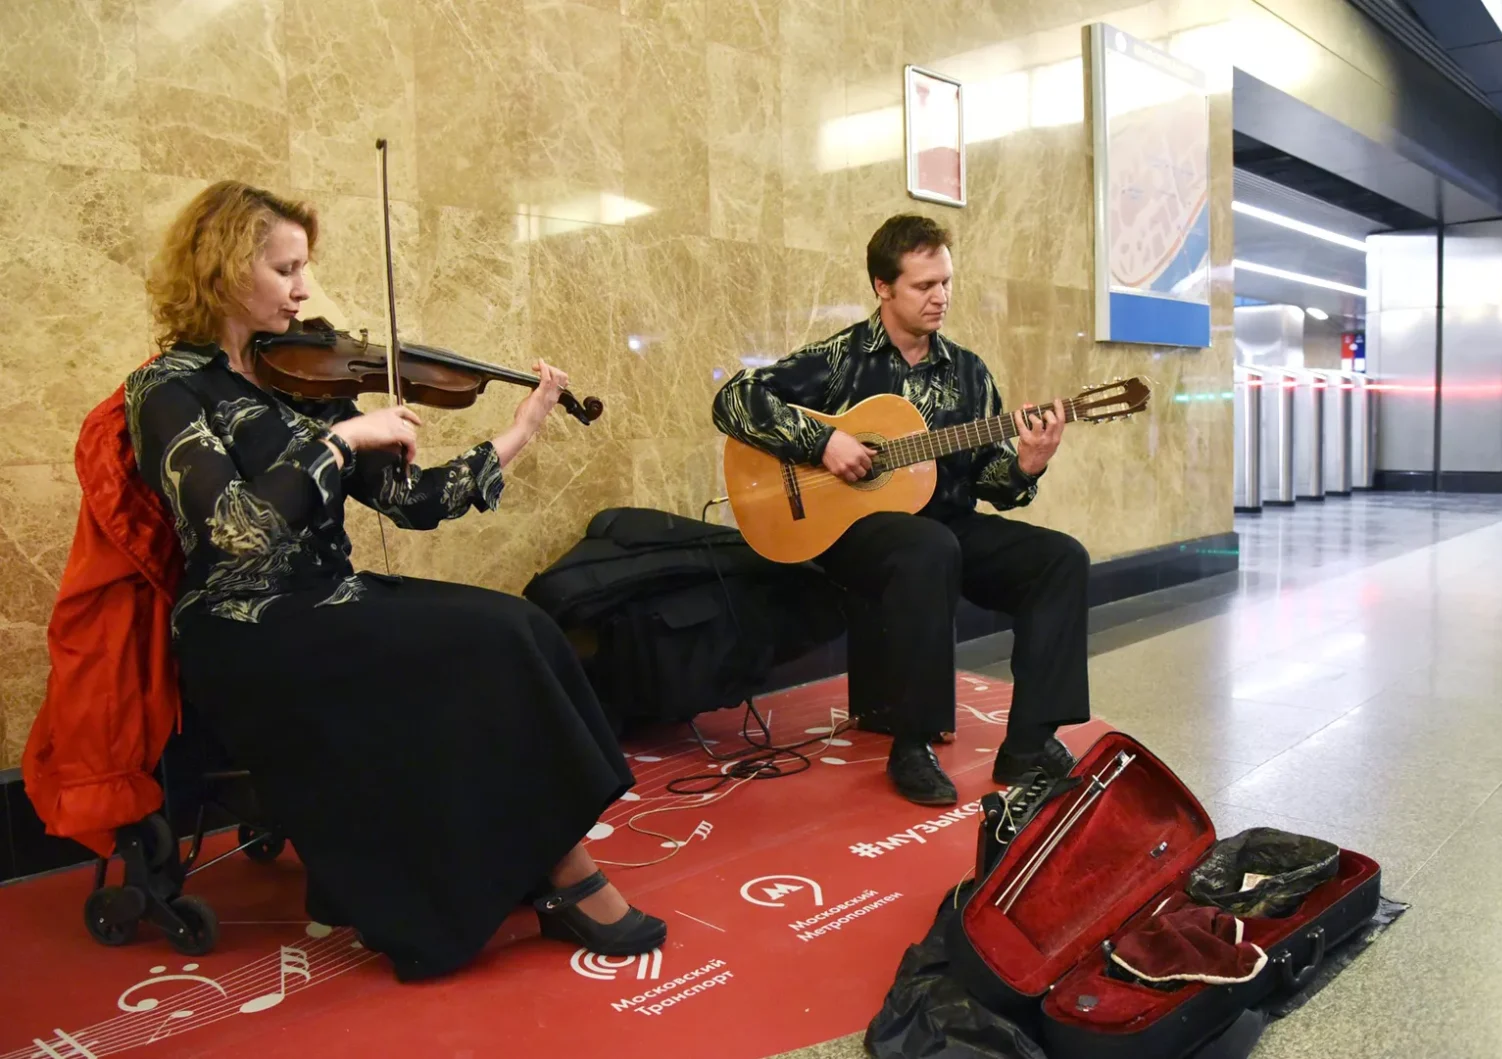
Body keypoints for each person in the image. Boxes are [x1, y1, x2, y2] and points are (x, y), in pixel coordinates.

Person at [126, 180, 665, 981]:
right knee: (480, 645)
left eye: (304, 267)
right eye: (285, 269)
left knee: (516, 624)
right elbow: (234, 528)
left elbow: (414, 502)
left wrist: (518, 431)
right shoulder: (169, 388)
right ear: (225, 269)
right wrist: (341, 440)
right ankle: (565, 876)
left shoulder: (304, 375)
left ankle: (528, 853)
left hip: (329, 597)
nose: (304, 288)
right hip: (245, 621)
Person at [712, 214, 1091, 806]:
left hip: (945, 524)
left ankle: (1030, 741)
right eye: (923, 285)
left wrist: (1027, 464)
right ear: (882, 287)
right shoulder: (841, 359)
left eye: (945, 282)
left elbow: (992, 480)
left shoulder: (968, 372)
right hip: (855, 533)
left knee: (1060, 559)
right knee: (926, 549)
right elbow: (734, 399)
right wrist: (823, 443)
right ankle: (913, 744)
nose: (940, 297)